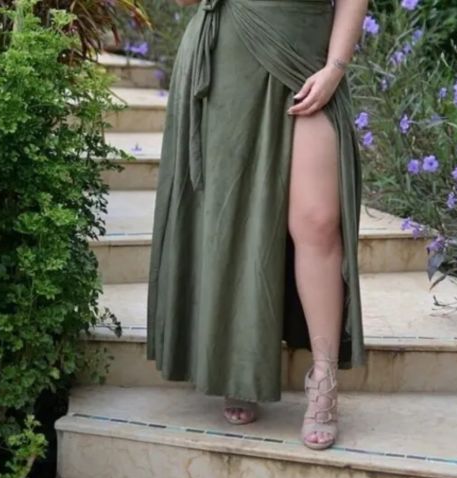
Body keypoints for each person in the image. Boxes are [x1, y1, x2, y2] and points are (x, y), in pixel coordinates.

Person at [147, 0, 368, 450]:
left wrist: (335, 67)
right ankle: (238, 367)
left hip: (307, 58)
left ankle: (324, 377)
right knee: (234, 216)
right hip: (230, 55)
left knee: (319, 219)